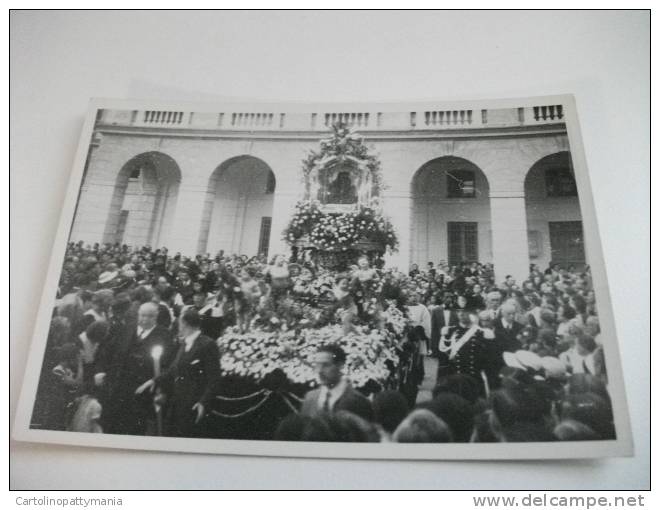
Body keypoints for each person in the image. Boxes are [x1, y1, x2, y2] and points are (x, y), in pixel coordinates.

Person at [138, 307, 221, 438]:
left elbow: (214, 378)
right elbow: (173, 368)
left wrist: (203, 402)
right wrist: (154, 380)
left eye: (180, 323)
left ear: (185, 324)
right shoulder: (184, 343)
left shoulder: (207, 344)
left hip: (194, 403)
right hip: (179, 400)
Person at [103, 302, 175, 435]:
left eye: (150, 316)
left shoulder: (165, 335)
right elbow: (110, 352)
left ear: (156, 317)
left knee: (135, 426)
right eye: (142, 315)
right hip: (120, 386)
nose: (145, 319)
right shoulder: (127, 329)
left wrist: (159, 385)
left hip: (143, 389)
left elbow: (169, 365)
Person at [437, 308, 499, 394]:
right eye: (458, 311)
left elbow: (490, 363)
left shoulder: (484, 333)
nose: (461, 314)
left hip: (474, 380)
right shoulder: (449, 331)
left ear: (473, 314)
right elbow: (443, 363)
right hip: (454, 381)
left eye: (465, 311)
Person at [300, 345, 372, 419]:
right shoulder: (310, 398)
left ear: (340, 365)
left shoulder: (358, 401)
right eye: (317, 365)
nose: (319, 371)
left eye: (326, 365)